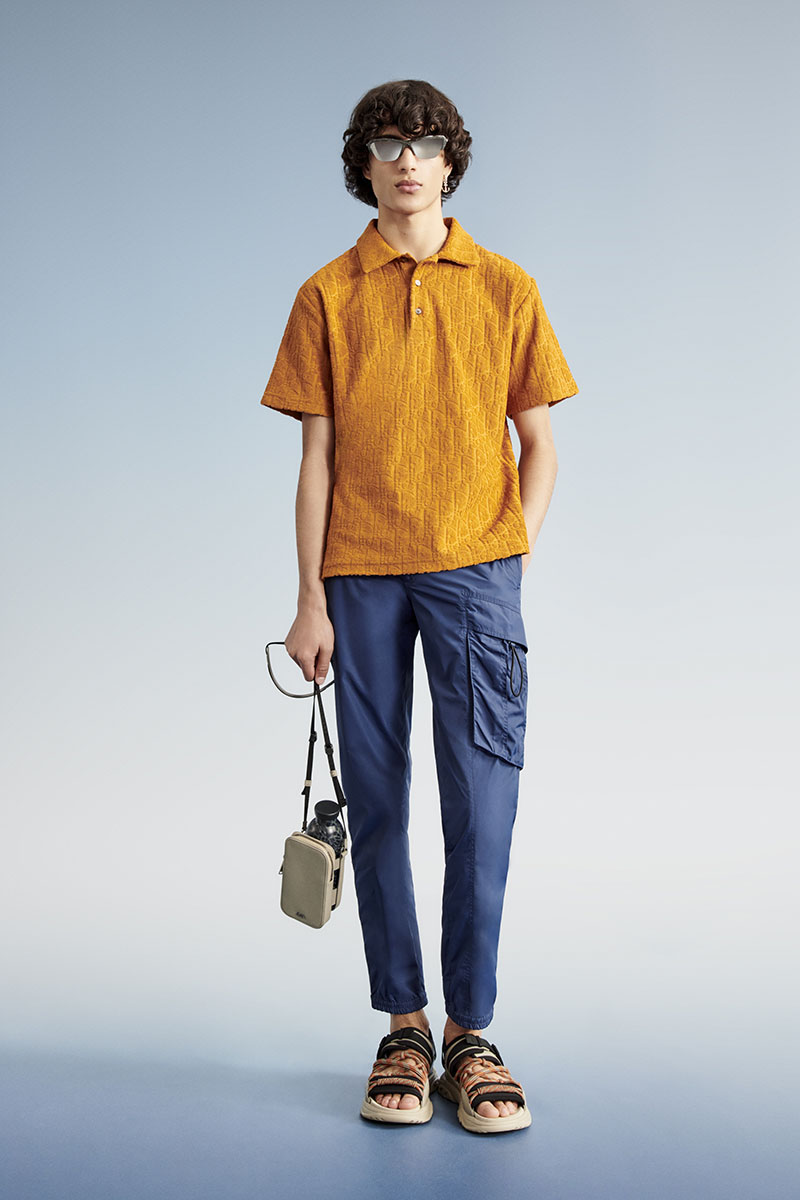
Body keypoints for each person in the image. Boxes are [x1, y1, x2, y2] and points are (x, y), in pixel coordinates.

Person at [260, 79, 578, 1134]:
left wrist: (508, 557)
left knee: (481, 800)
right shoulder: (326, 295)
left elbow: (539, 441)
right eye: (388, 143)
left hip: (474, 573)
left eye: (426, 142)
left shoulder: (506, 287)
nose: (407, 160)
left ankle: (469, 1034)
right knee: (380, 799)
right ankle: (403, 1025)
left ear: (451, 161)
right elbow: (315, 459)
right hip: (356, 575)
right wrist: (307, 598)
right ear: (363, 163)